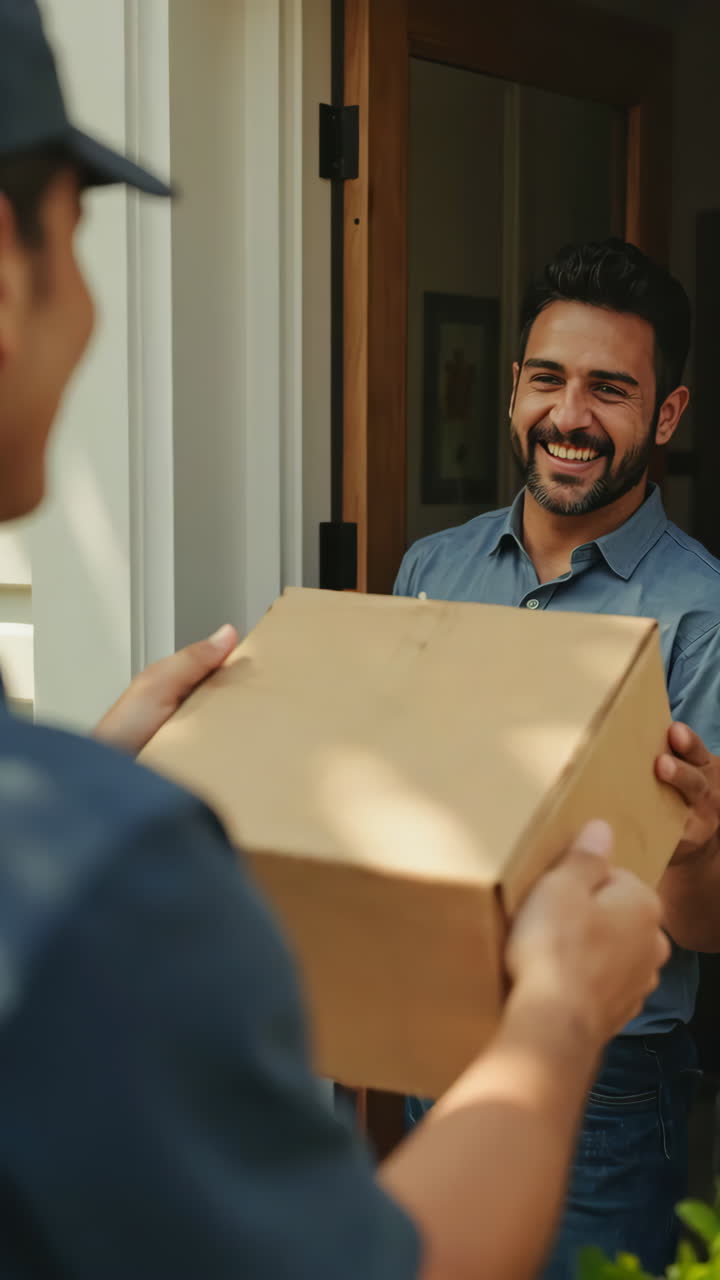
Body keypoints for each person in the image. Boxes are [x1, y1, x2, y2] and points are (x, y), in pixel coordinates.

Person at [0, 4, 672, 1277]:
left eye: (612, 388)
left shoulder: (78, 832)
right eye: (81, 241)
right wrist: (557, 1009)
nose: (92, 304)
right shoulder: (107, 863)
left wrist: (99, 771)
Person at [396, 237, 720, 1278]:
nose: (570, 415)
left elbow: (705, 922)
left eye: (611, 389)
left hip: (608, 1077)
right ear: (514, 390)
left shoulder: (703, 617)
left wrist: (691, 844)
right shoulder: (431, 569)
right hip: (432, 1036)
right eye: (549, 378)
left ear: (666, 414)